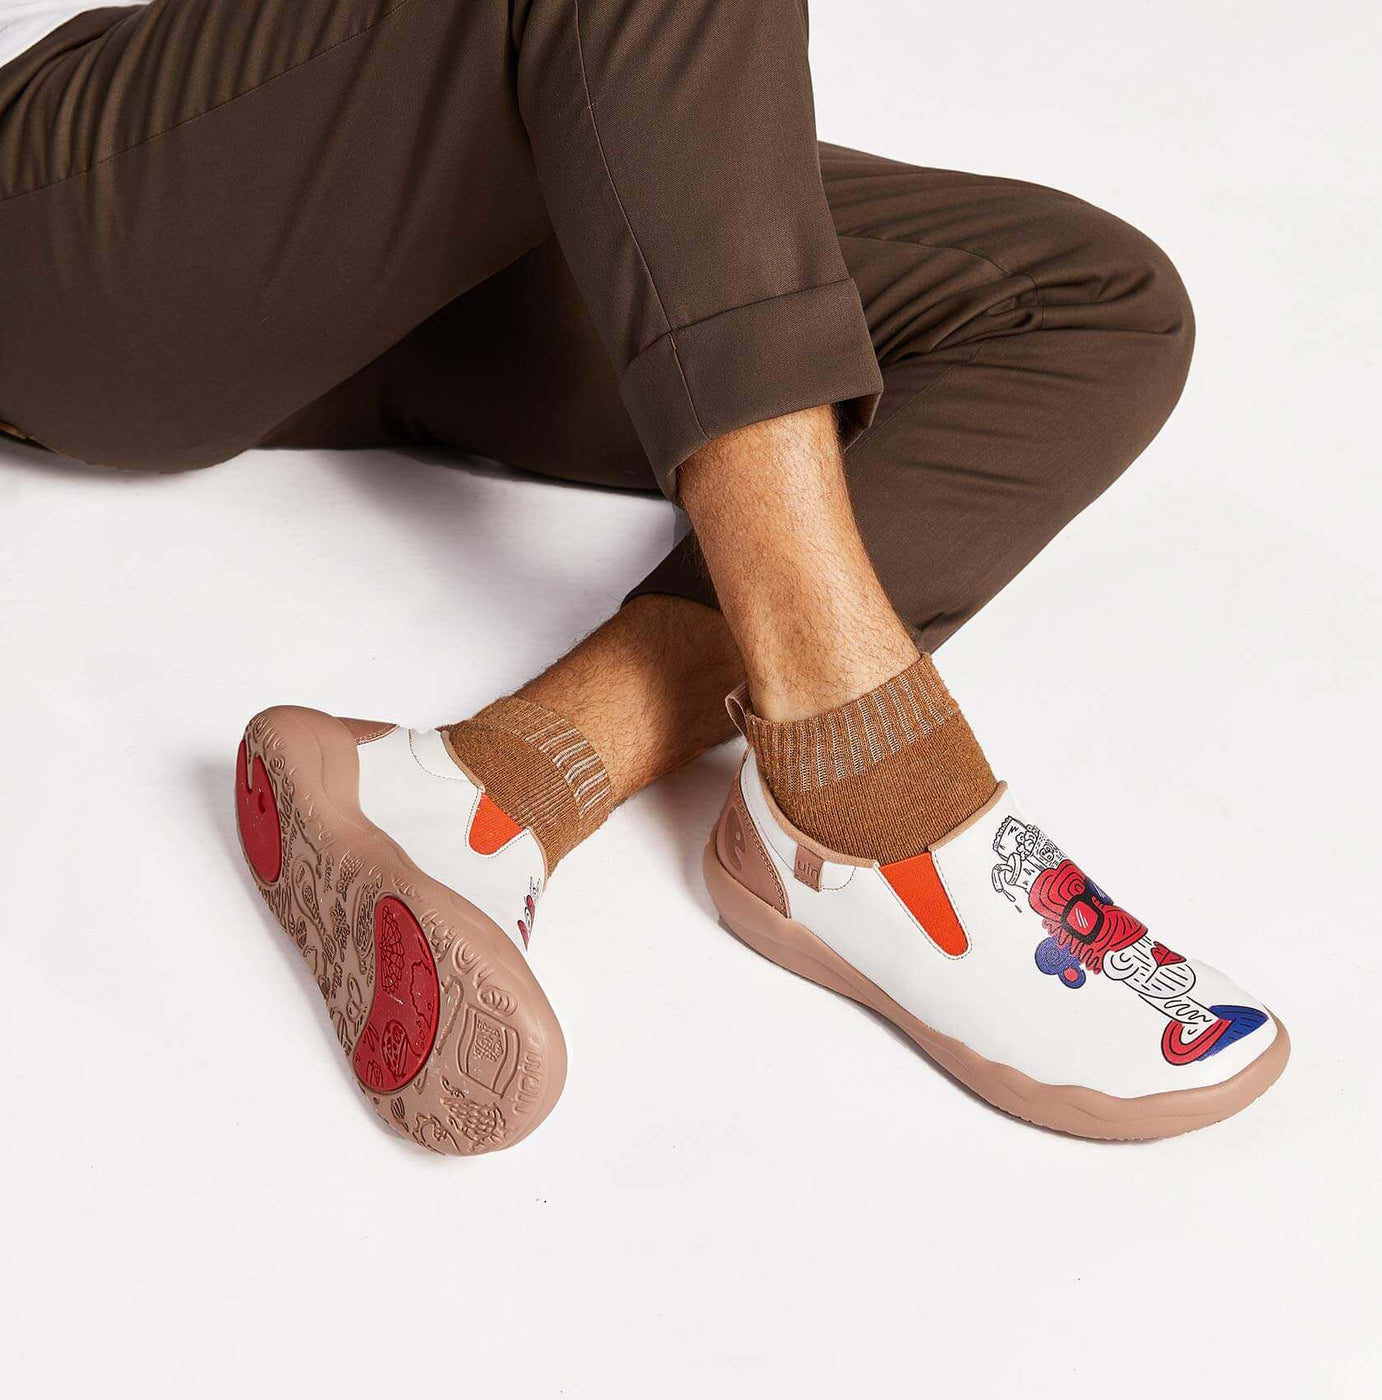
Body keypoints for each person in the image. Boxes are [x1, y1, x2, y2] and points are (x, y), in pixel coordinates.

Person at [1, 0, 1288, 1155]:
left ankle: (495, 784)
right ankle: (867, 777)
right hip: (93, 232)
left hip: (384, 186)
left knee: (1083, 301)